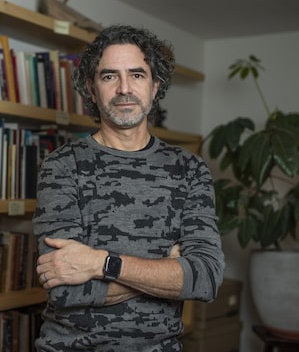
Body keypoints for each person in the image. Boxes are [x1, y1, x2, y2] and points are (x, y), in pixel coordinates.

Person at [32, 24, 225, 352]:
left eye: (137, 75)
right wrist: (166, 270)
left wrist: (101, 263)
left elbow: (206, 278)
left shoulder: (190, 169)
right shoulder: (62, 165)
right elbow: (64, 289)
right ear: (92, 90)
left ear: (154, 86)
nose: (124, 88)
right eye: (109, 76)